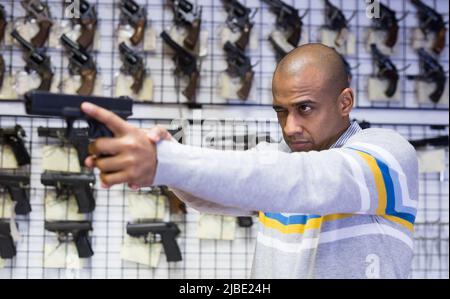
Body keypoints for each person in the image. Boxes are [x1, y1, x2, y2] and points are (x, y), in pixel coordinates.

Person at [82, 44, 419, 279]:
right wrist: (161, 158)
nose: (290, 127)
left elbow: (304, 180)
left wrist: (166, 159)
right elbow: (218, 192)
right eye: (280, 111)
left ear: (345, 102)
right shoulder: (279, 160)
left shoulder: (388, 155)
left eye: (304, 108)